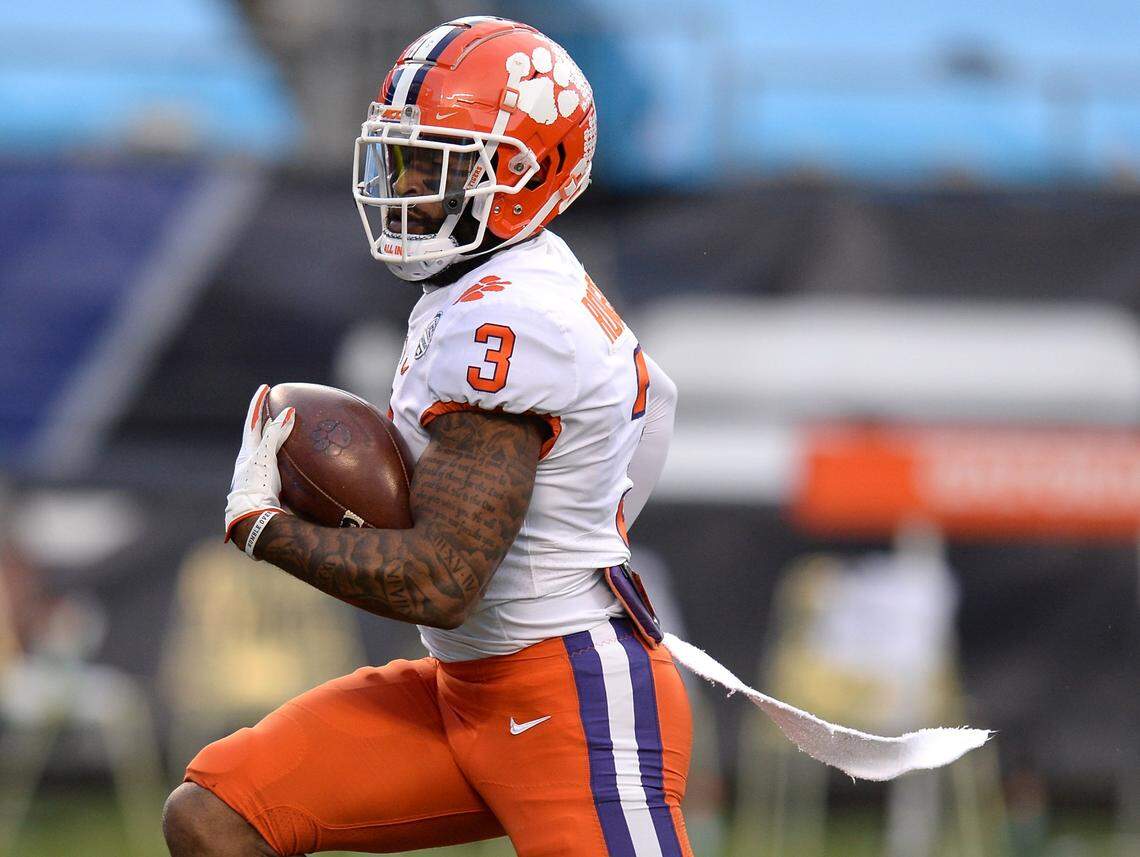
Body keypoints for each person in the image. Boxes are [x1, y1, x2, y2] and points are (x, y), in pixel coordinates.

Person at [162, 16, 690, 857]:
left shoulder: (514, 318)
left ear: (522, 174)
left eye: (435, 164)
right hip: (467, 687)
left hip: (571, 700)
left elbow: (441, 579)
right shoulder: (494, 278)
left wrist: (263, 526)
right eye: (402, 157)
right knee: (220, 814)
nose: (404, 184)